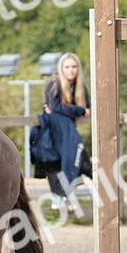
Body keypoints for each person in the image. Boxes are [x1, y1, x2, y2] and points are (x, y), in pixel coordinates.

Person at [41, 52, 93, 207]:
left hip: (68, 131)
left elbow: (87, 106)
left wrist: (77, 110)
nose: (71, 70)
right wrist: (79, 110)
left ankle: (69, 190)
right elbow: (56, 107)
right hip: (53, 131)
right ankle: (60, 195)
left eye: (74, 67)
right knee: (54, 163)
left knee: (83, 163)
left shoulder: (80, 86)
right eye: (67, 67)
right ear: (61, 68)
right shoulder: (54, 83)